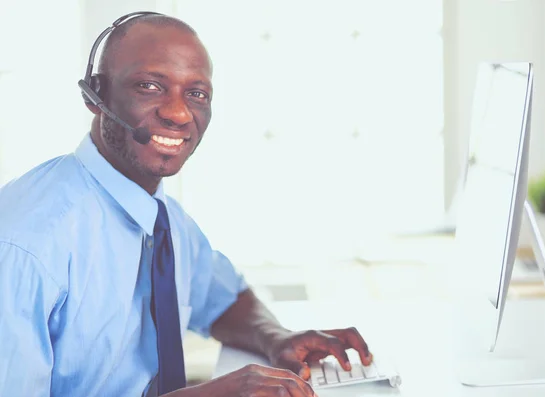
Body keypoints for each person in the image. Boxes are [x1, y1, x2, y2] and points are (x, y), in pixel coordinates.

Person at [0, 12, 373, 397]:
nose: (178, 114)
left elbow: (223, 298)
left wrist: (275, 338)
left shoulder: (163, 219)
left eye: (196, 94)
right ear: (95, 96)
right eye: (149, 86)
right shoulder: (25, 244)